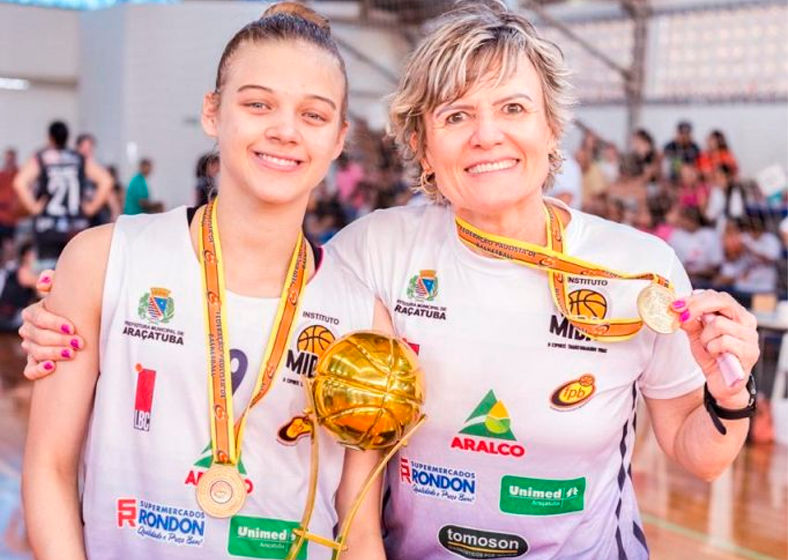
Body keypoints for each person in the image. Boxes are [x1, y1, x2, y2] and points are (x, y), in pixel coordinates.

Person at [18, 2, 761, 559]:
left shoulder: (637, 270)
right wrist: (67, 311)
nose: (488, 135)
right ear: (422, 144)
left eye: (513, 109)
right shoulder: (370, 255)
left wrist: (730, 397)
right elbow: (248, 292)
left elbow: (698, 454)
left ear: (552, 132)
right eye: (457, 114)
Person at [21, 5, 388, 560]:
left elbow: (359, 532)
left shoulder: (363, 317)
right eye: (258, 103)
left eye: (313, 115)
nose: (284, 130)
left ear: (338, 139)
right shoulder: (104, 260)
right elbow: (49, 469)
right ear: (213, 112)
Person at [13, 122, 113, 271]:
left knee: (46, 275)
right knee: (75, 272)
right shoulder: (78, 158)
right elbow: (106, 181)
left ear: (50, 137)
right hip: (75, 225)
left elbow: (19, 183)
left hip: (47, 226)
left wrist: (34, 207)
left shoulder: (42, 157)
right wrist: (90, 208)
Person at [76, 133, 121, 226]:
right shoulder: (72, 168)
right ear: (77, 148)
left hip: (95, 216)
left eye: (89, 149)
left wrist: (115, 212)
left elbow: (108, 190)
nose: (86, 153)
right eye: (84, 149)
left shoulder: (98, 169)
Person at [0, 148, 20, 262]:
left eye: (11, 159)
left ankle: (9, 264)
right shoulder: (1, 175)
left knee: (9, 244)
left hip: (12, 219)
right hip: (1, 217)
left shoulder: (18, 175)